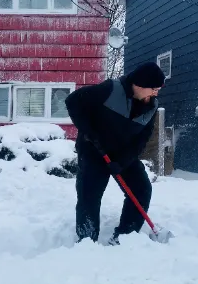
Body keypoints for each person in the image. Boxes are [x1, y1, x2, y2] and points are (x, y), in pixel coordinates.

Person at [65, 62, 165, 245]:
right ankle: (87, 241)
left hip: (122, 155)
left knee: (141, 189)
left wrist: (123, 161)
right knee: (90, 195)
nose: (156, 93)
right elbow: (73, 101)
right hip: (94, 151)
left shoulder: (151, 107)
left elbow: (143, 139)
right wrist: (89, 131)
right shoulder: (110, 89)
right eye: (154, 88)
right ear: (140, 84)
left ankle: (126, 236)